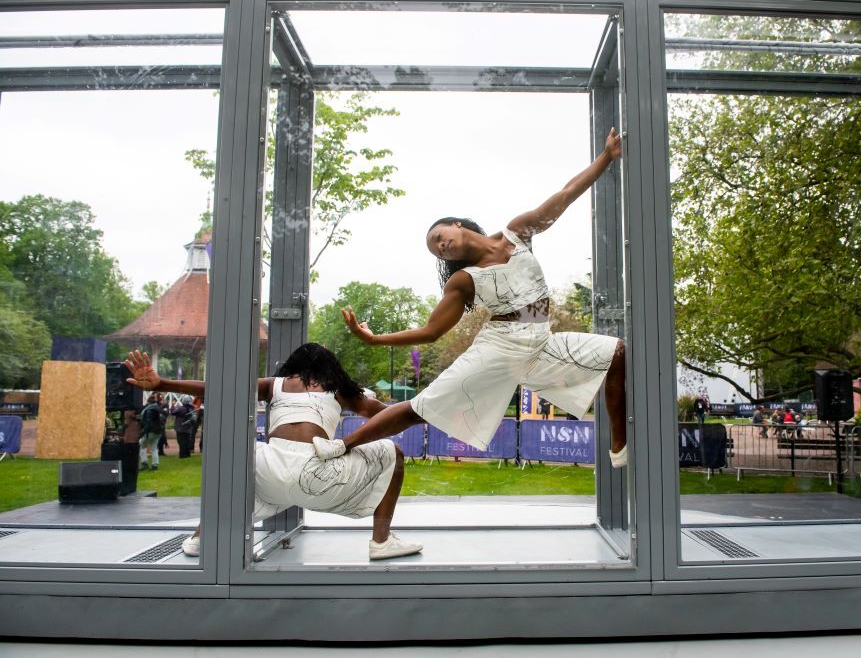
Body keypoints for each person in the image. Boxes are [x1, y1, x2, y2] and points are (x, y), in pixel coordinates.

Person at [338, 128, 628, 467]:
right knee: (424, 407)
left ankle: (619, 444)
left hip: (541, 344)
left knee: (618, 354)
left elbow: (563, 196)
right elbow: (432, 331)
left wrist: (606, 157)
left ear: (456, 224)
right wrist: (374, 340)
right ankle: (344, 445)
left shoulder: (516, 233)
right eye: (437, 250)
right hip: (500, 348)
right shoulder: (463, 281)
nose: (441, 247)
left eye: (439, 237)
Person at [123, 344, 422, 561]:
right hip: (318, 476)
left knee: (239, 453)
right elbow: (390, 416)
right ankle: (381, 541)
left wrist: (163, 383)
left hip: (269, 474)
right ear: (330, 369)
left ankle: (203, 536)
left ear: (292, 367)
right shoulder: (338, 388)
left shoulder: (274, 385)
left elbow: (218, 387)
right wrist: (429, 408)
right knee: (391, 452)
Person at [138, 394, 165, 471]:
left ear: (148, 402)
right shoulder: (159, 408)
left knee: (141, 445)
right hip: (158, 431)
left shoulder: (149, 409)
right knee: (154, 448)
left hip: (150, 431)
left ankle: (144, 463)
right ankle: (155, 465)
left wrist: (142, 433)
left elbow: (149, 422)